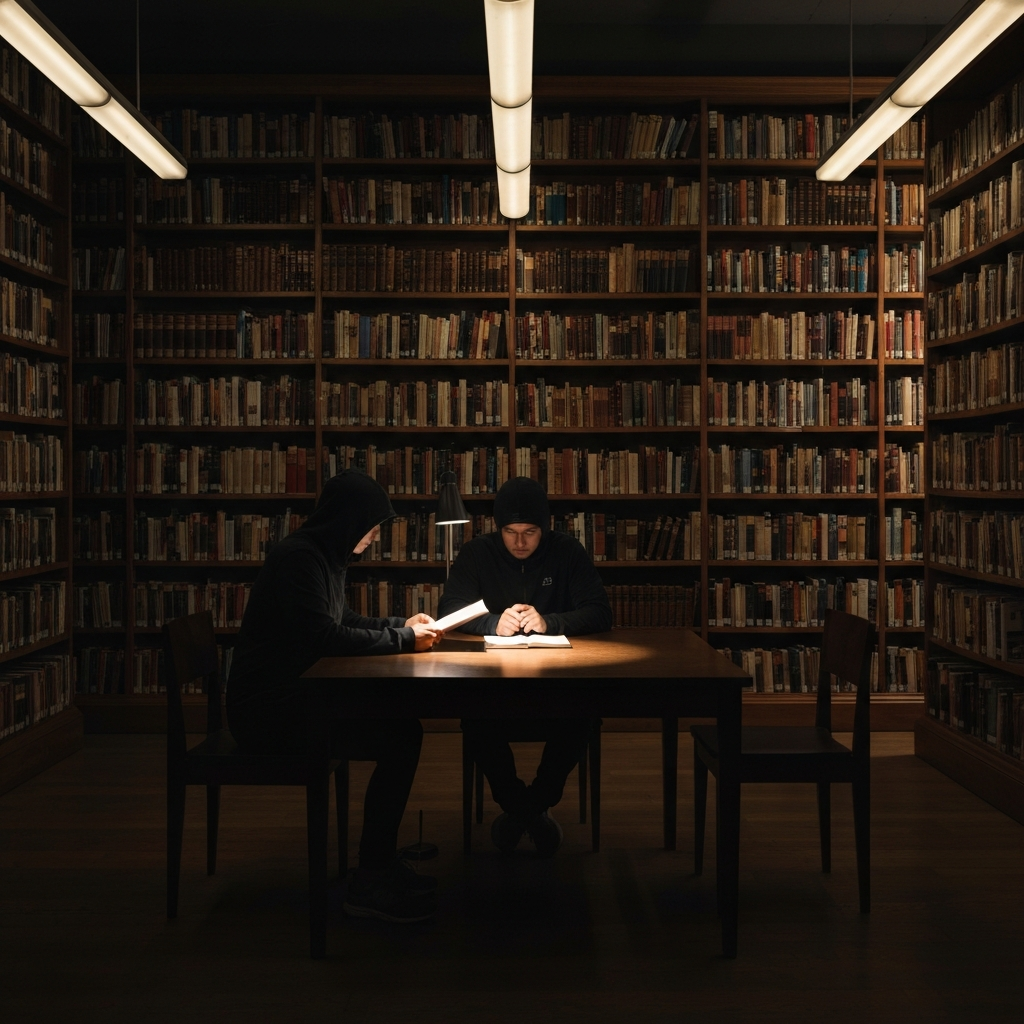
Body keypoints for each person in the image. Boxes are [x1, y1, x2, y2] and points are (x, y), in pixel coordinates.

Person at [227, 470, 442, 923]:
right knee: (401, 737)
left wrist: (402, 625)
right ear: (347, 520)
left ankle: (377, 866)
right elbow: (325, 638)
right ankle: (370, 880)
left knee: (401, 732)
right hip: (269, 716)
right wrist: (403, 641)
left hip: (296, 701)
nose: (374, 535)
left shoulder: (323, 556)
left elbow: (342, 618)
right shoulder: (299, 560)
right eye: (371, 525)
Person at [436, 476, 612, 856]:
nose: (519, 543)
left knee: (583, 716)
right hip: (493, 688)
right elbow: (447, 613)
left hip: (558, 687)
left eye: (530, 532)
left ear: (545, 528)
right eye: (510, 532)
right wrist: (490, 622)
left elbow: (600, 612)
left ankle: (524, 809)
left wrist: (551, 622)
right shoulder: (476, 553)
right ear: (497, 529)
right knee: (476, 718)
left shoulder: (567, 551)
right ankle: (529, 810)